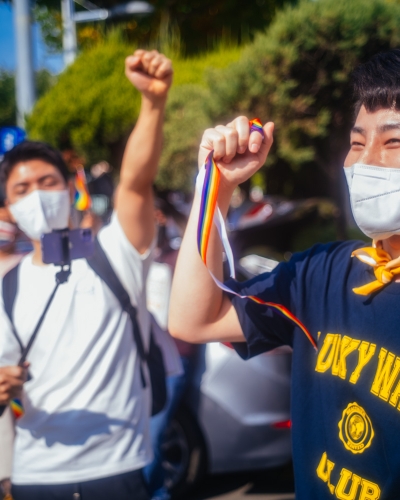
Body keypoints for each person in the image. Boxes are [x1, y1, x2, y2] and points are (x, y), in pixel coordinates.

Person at [169, 49, 400, 500]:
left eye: (393, 143)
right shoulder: (322, 272)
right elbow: (194, 320)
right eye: (357, 143)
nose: (366, 161)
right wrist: (215, 188)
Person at [0, 48, 173, 500]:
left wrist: (153, 103)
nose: (37, 196)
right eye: (22, 189)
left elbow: (135, 183)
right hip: (35, 475)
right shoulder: (7, 287)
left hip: (120, 468)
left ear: (70, 188)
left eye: (47, 182)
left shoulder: (115, 252)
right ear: (9, 208)